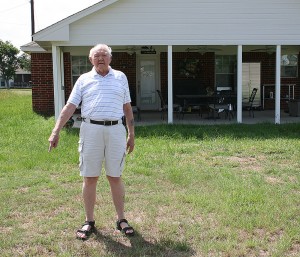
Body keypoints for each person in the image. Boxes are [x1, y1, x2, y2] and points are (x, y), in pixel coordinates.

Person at [48, 44, 135, 240]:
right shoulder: (83, 79)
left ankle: (121, 219)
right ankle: (89, 221)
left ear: (110, 59)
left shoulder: (120, 77)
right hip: (90, 130)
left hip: (115, 130)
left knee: (115, 176)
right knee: (90, 177)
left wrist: (131, 134)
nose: (101, 58)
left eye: (104, 55)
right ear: (91, 60)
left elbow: (127, 108)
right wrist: (56, 131)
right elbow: (70, 106)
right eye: (97, 55)